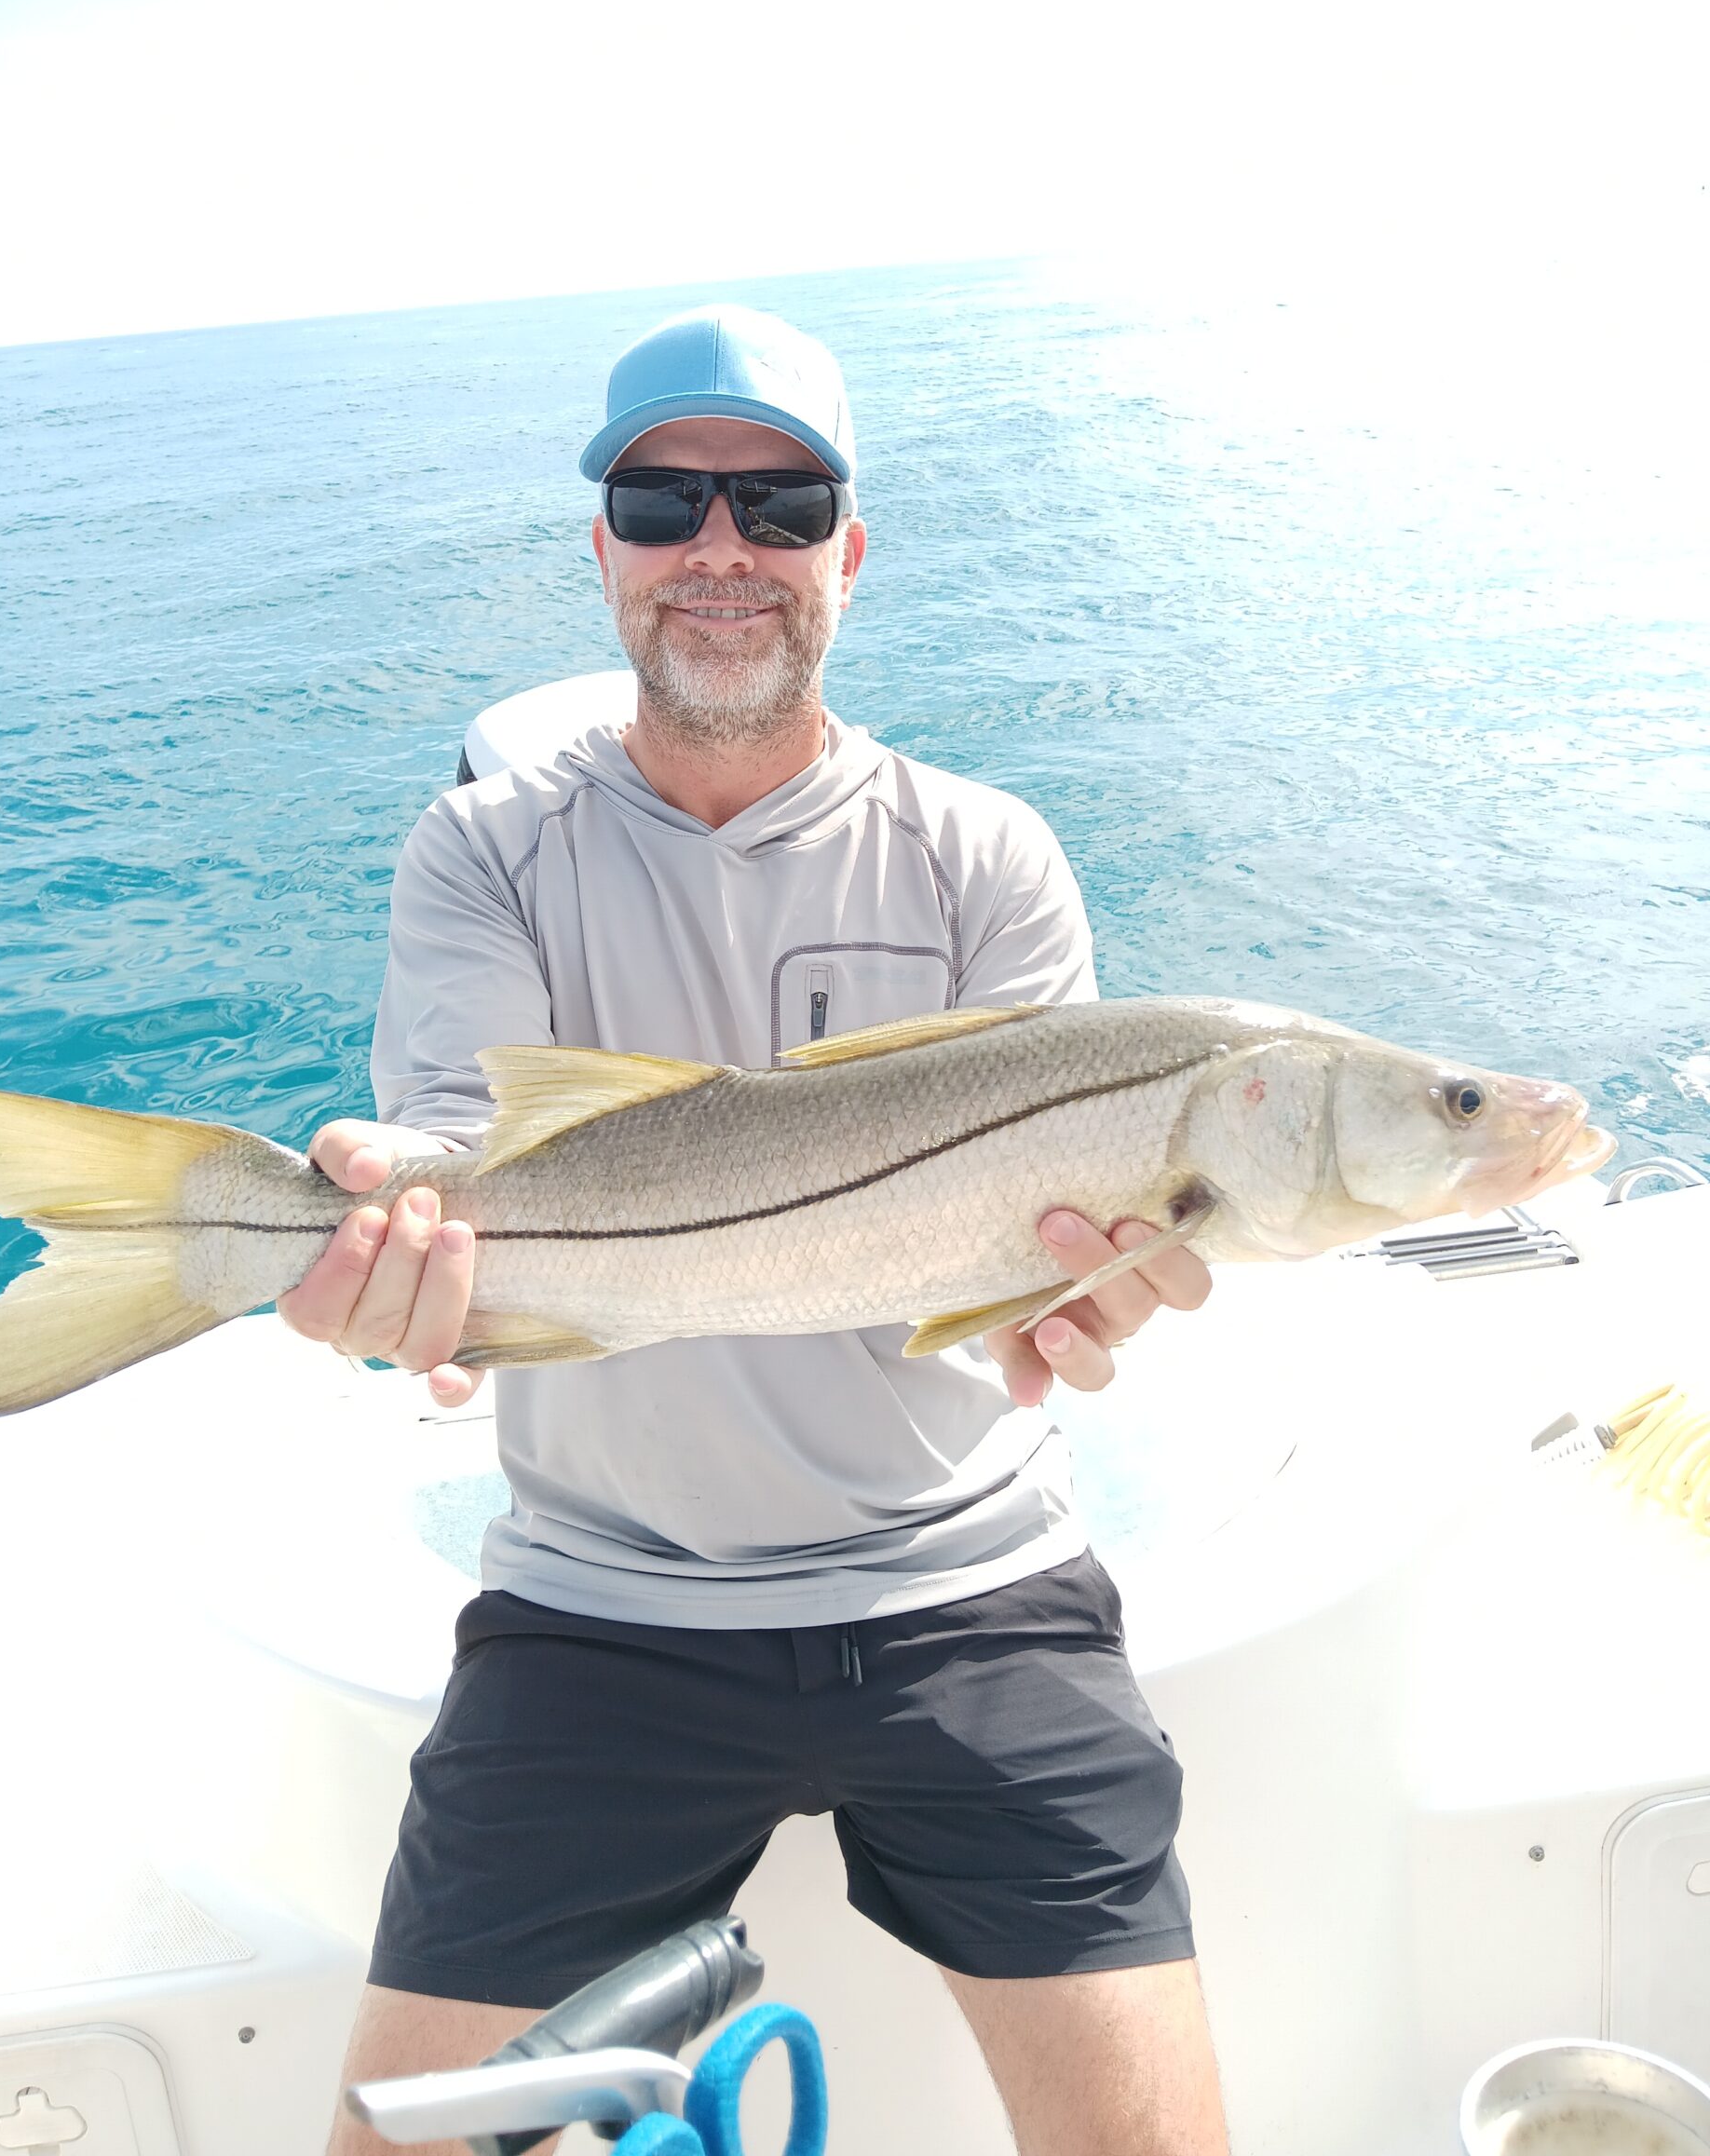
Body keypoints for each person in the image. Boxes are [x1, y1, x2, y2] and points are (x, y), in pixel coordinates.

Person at [281, 305, 1230, 2156]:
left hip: (976, 1597)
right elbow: (467, 1155)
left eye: (779, 502)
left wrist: (1083, 1311)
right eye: (665, 497)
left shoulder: (987, 854)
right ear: (606, 549)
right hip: (600, 1606)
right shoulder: (484, 848)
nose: (722, 546)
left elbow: (1058, 1287)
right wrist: (399, 1252)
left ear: (847, 556)